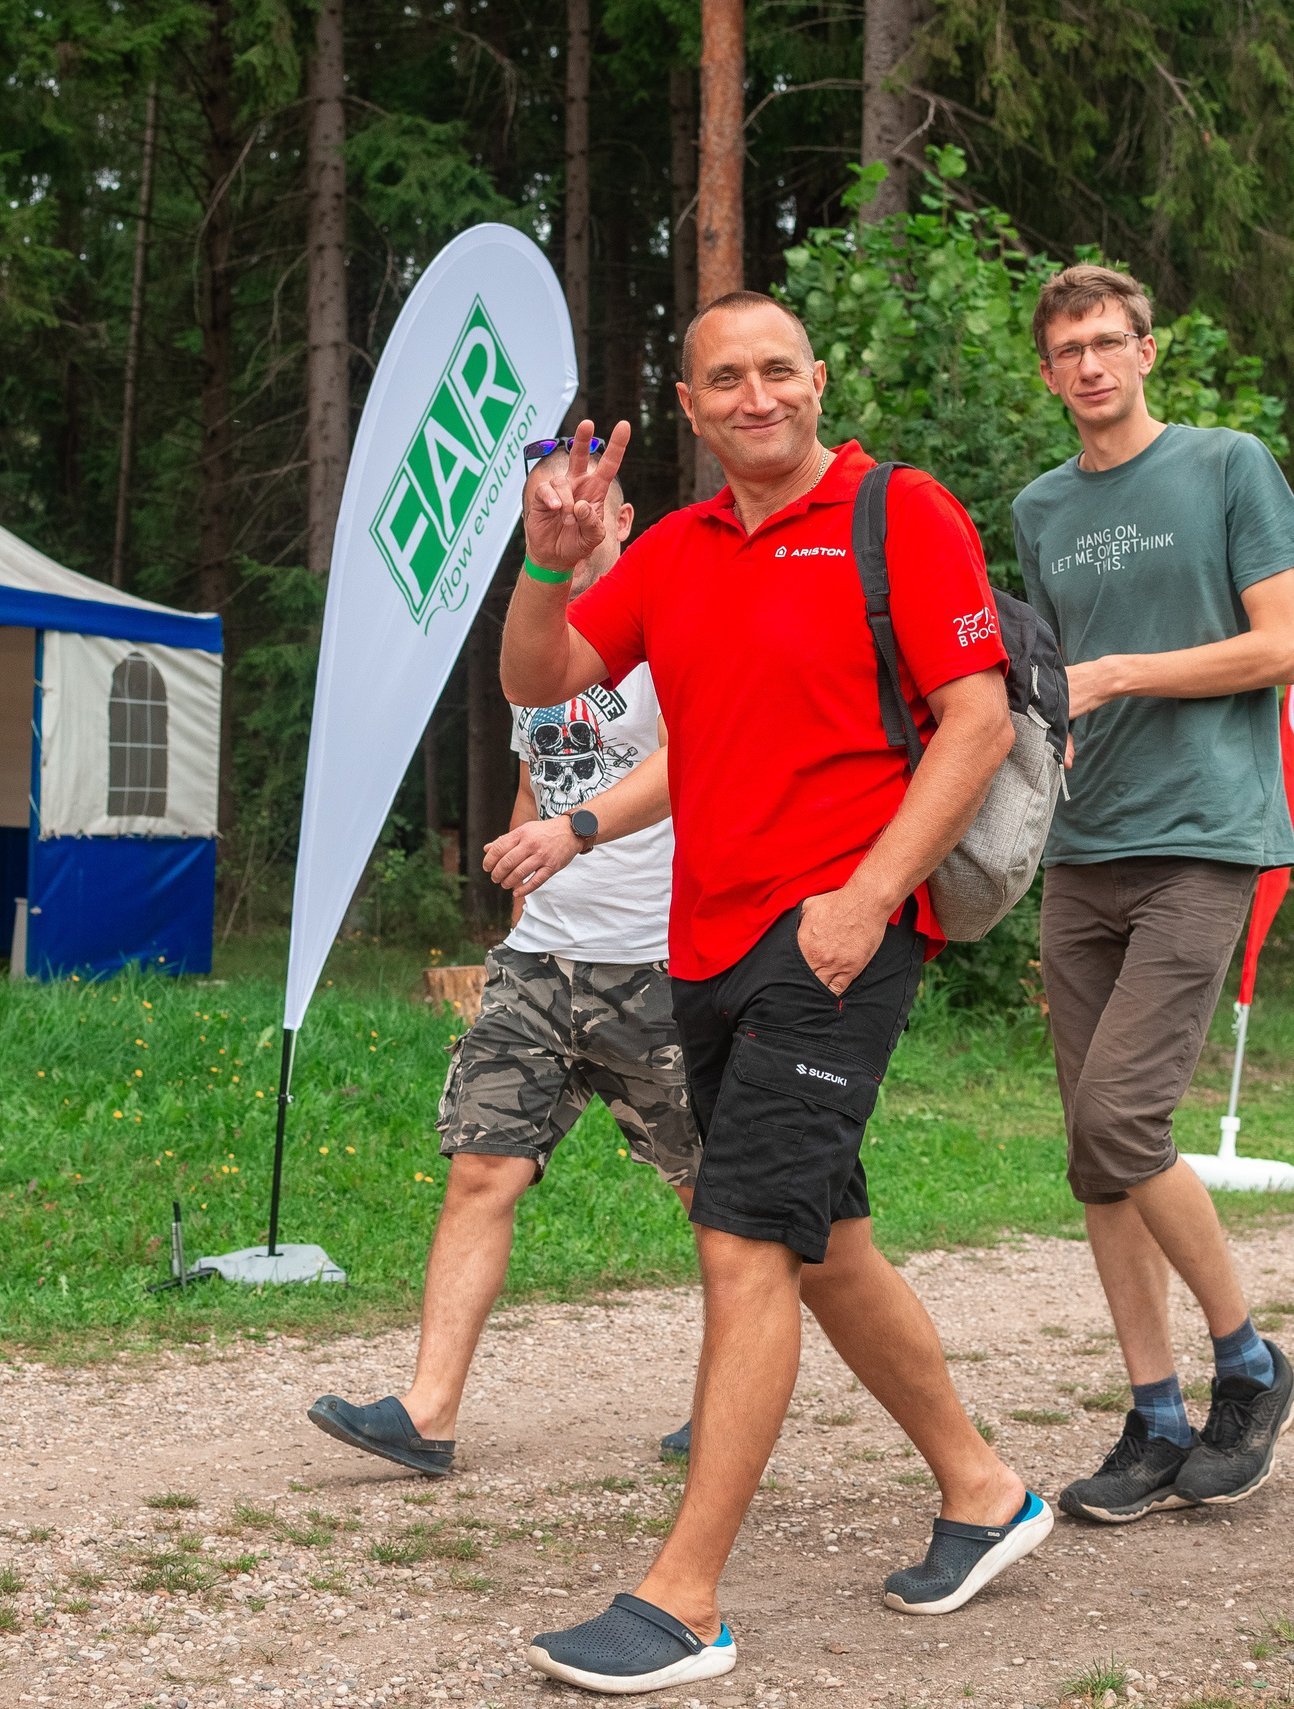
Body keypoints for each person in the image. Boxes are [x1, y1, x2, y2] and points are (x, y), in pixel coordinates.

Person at [499, 291, 1044, 1693]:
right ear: (688, 406)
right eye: (723, 379)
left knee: (742, 1240)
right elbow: (546, 680)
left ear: (816, 381)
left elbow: (975, 718)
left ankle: (682, 1600)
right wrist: (545, 565)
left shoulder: (900, 514)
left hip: (840, 936)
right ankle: (985, 1490)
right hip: (704, 946)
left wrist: (867, 901)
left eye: (777, 371)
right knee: (825, 1238)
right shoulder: (673, 551)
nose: (756, 397)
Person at [306, 444, 699, 1478]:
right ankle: (427, 1414)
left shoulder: (666, 626)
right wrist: (523, 878)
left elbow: (684, 764)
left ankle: (733, 1389)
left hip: (654, 963)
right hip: (538, 962)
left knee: (716, 1194)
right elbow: (537, 772)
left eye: (591, 501)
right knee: (482, 1165)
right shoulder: (538, 639)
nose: (573, 516)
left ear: (623, 513)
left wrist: (572, 826)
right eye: (551, 504)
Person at [1005, 264, 1294, 1527]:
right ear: (1047, 371)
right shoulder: (1036, 507)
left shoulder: (1227, 463)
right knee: (1093, 1154)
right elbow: (1044, 670)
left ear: (1146, 352)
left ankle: (1249, 1364)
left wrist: (1124, 670)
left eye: (1108, 341)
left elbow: (1281, 643)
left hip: (1205, 837)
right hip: (1082, 850)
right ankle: (1152, 1413)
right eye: (1067, 347)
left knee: (1125, 1118)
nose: (1090, 363)